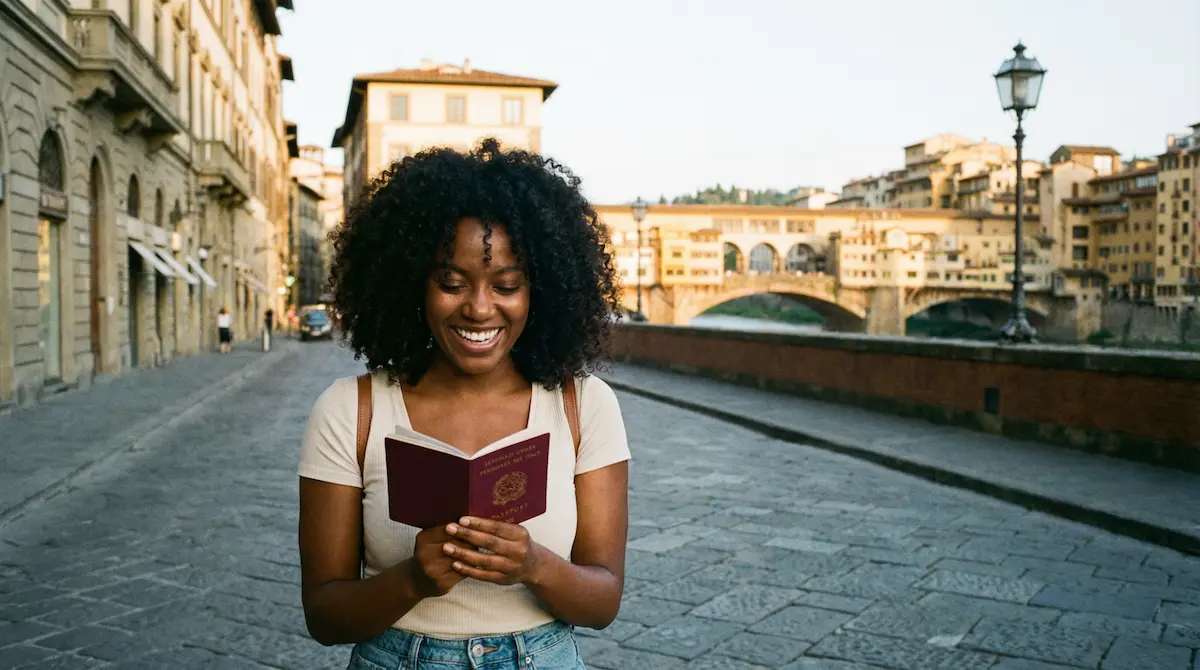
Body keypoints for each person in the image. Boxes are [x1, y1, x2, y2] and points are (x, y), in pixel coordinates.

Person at [298, 139, 630, 669]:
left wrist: (534, 565)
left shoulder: (584, 405)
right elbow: (324, 615)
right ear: (413, 285)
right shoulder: (350, 411)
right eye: (451, 283)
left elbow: (603, 601)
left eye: (507, 285)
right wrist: (412, 580)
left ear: (538, 292)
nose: (479, 309)